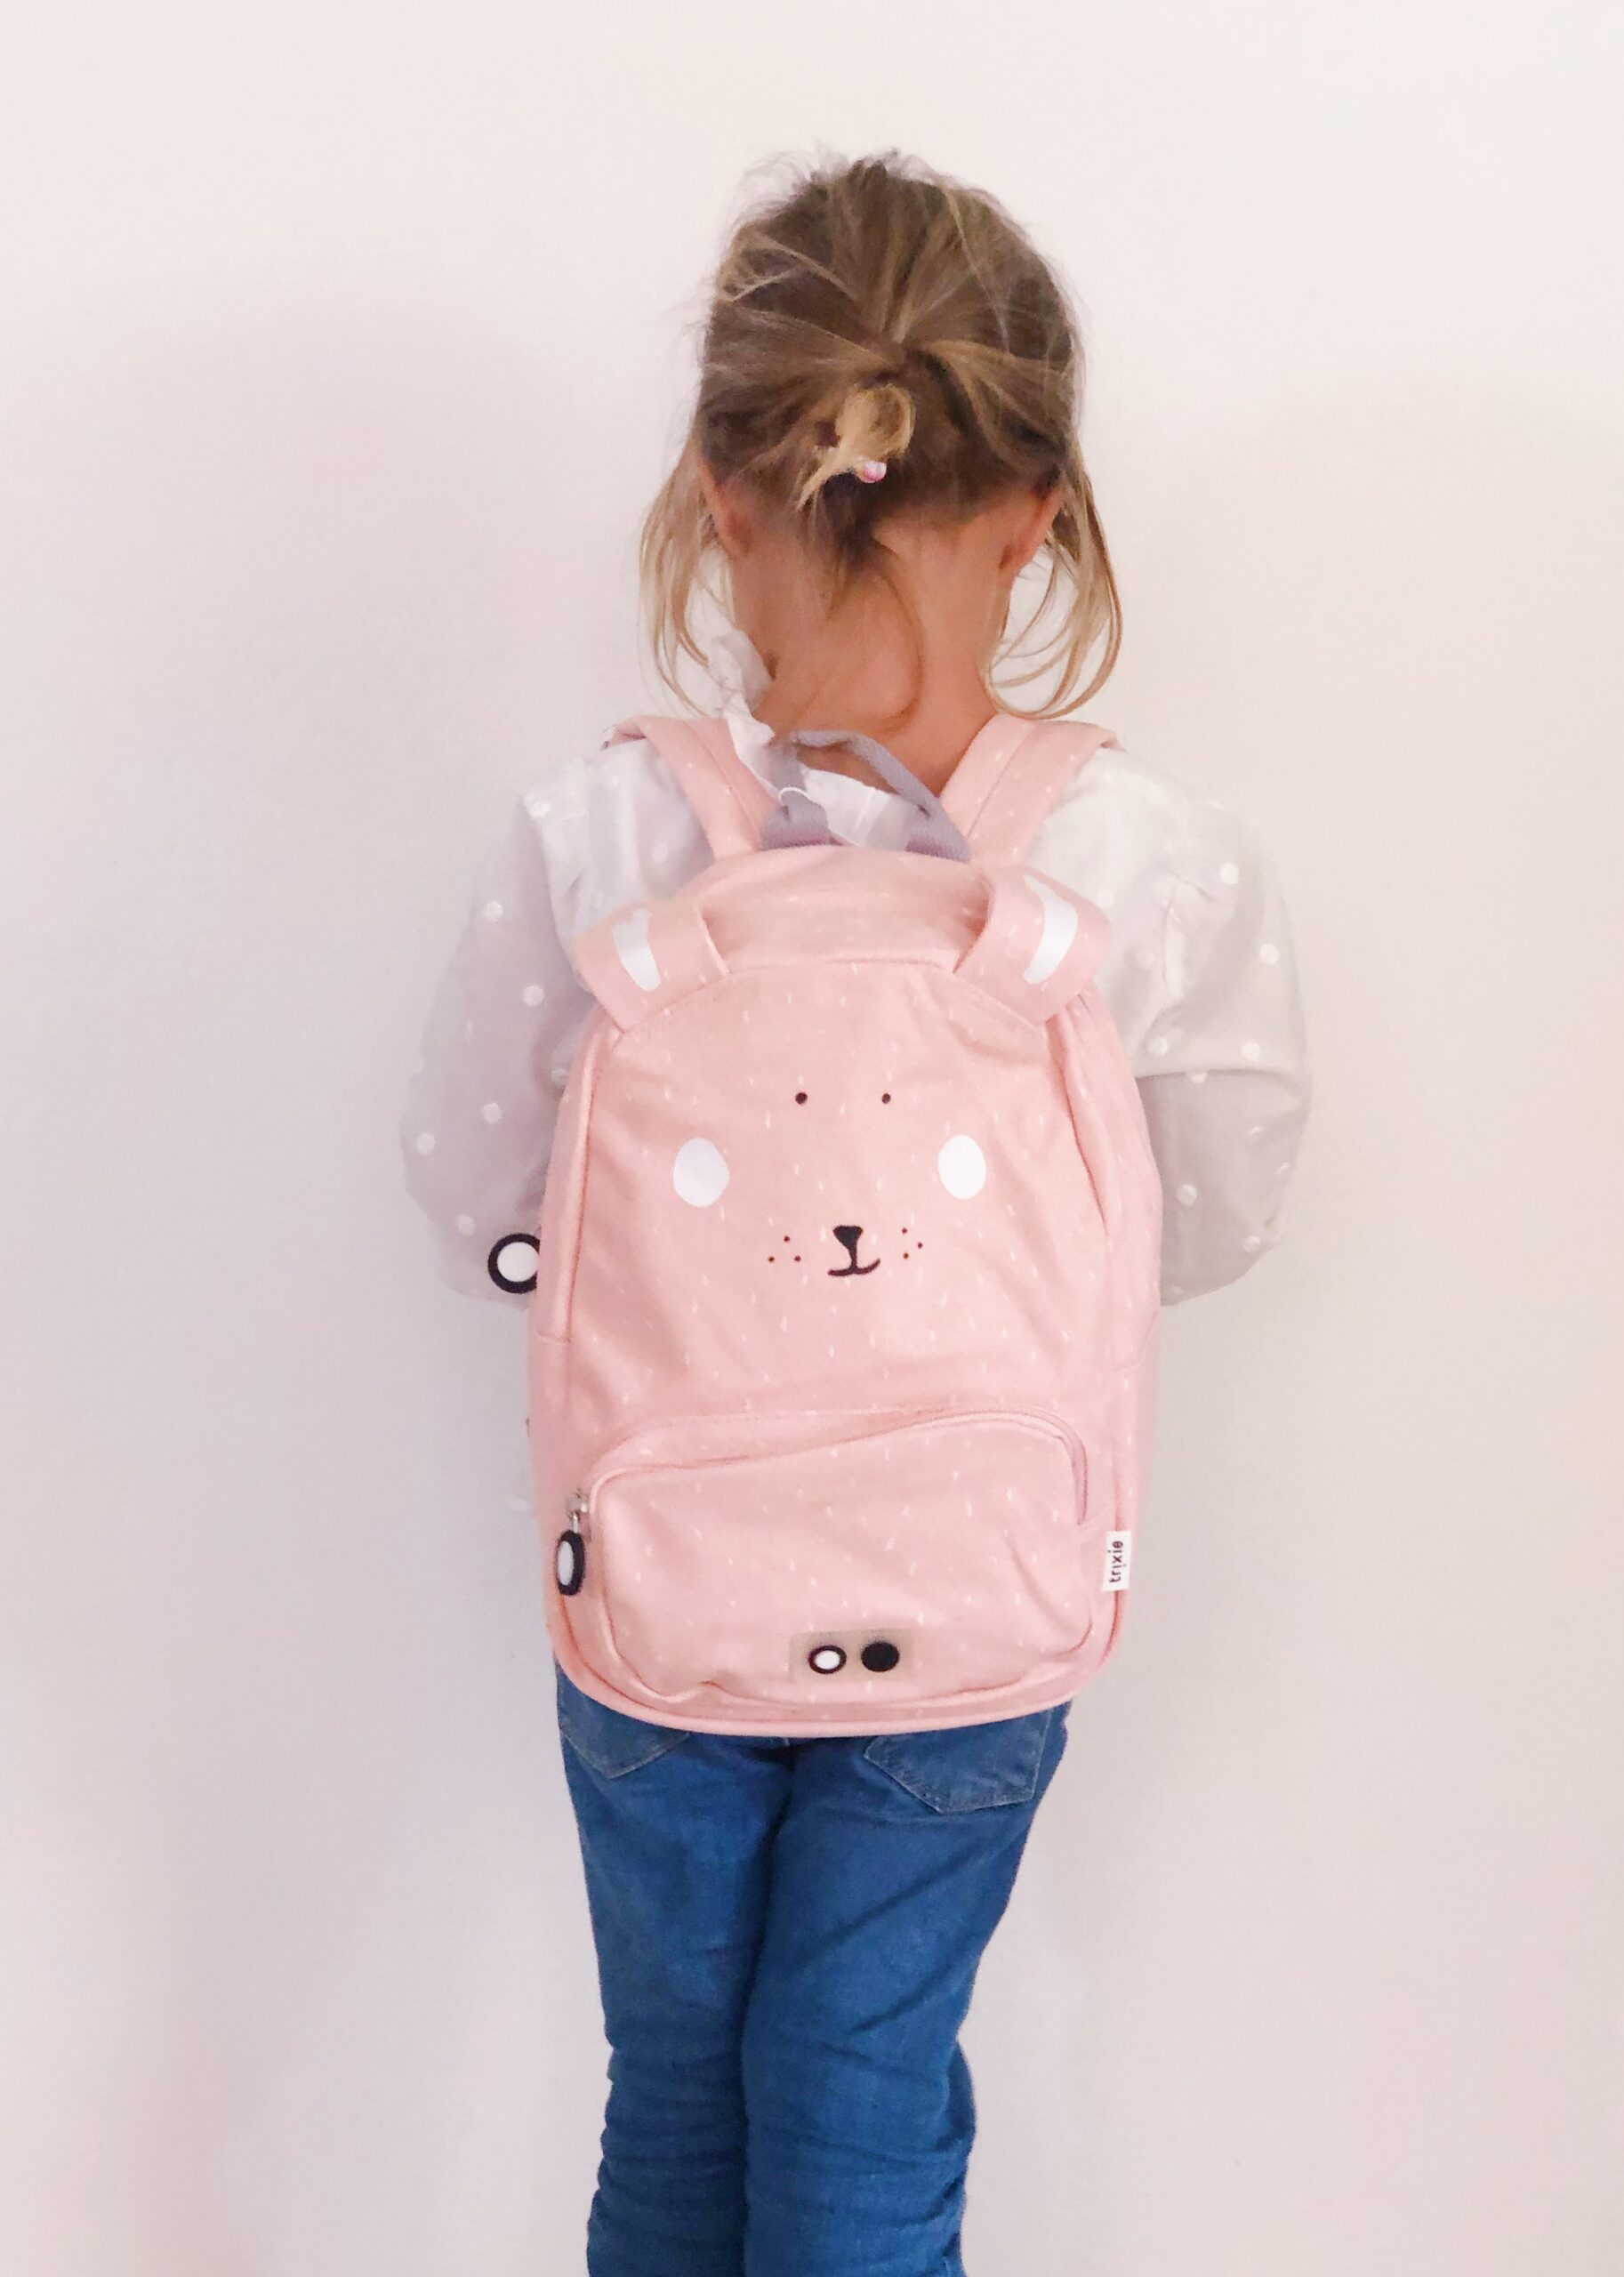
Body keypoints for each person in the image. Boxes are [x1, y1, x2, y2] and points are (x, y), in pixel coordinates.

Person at [399, 149, 1309, 2277]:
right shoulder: (1146, 865)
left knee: (676, 2084)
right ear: (1039, 512)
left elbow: (468, 1186)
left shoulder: (601, 834)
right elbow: (1213, 1210)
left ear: (722, 495)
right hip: (977, 1593)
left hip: (658, 1587)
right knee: (859, 2084)